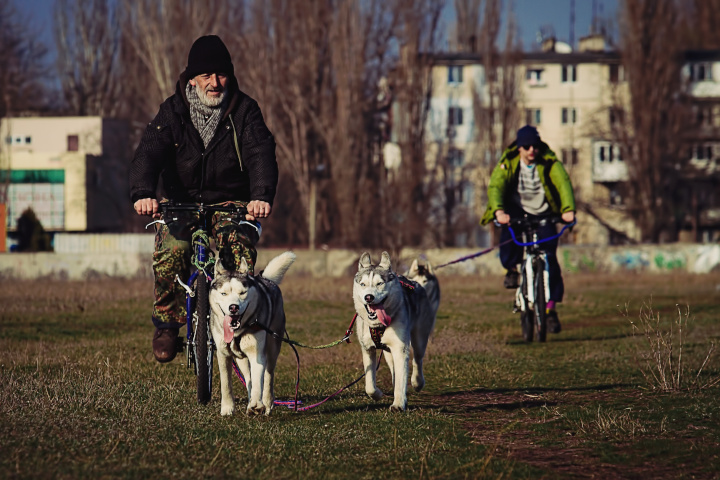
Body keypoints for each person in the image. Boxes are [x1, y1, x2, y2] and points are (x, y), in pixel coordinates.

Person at [129, 35, 278, 363]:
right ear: (192, 78)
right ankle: (168, 324)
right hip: (180, 205)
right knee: (172, 251)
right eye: (206, 76)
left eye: (221, 74)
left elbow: (260, 153)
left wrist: (260, 196)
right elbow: (149, 153)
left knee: (237, 253)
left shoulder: (245, 111)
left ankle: (243, 323)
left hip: (230, 204)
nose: (214, 83)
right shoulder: (172, 111)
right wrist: (143, 193)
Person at [480, 125, 575, 333]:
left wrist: (568, 210)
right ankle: (512, 269)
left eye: (535, 146)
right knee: (509, 238)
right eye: (526, 146)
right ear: (519, 148)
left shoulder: (549, 162)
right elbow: (496, 187)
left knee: (550, 258)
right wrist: (499, 212)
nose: (531, 150)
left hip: (545, 214)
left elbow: (563, 184)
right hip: (517, 213)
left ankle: (550, 309)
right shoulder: (508, 163)